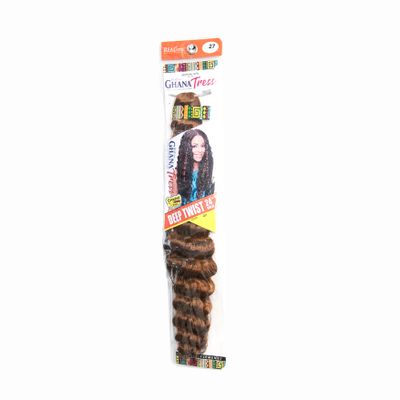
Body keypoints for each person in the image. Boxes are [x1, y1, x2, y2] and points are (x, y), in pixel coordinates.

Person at [168, 129, 214, 205]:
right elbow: (171, 209)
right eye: (194, 146)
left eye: (202, 146)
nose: (200, 150)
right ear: (186, 148)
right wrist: (174, 193)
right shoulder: (177, 173)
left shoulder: (208, 172)